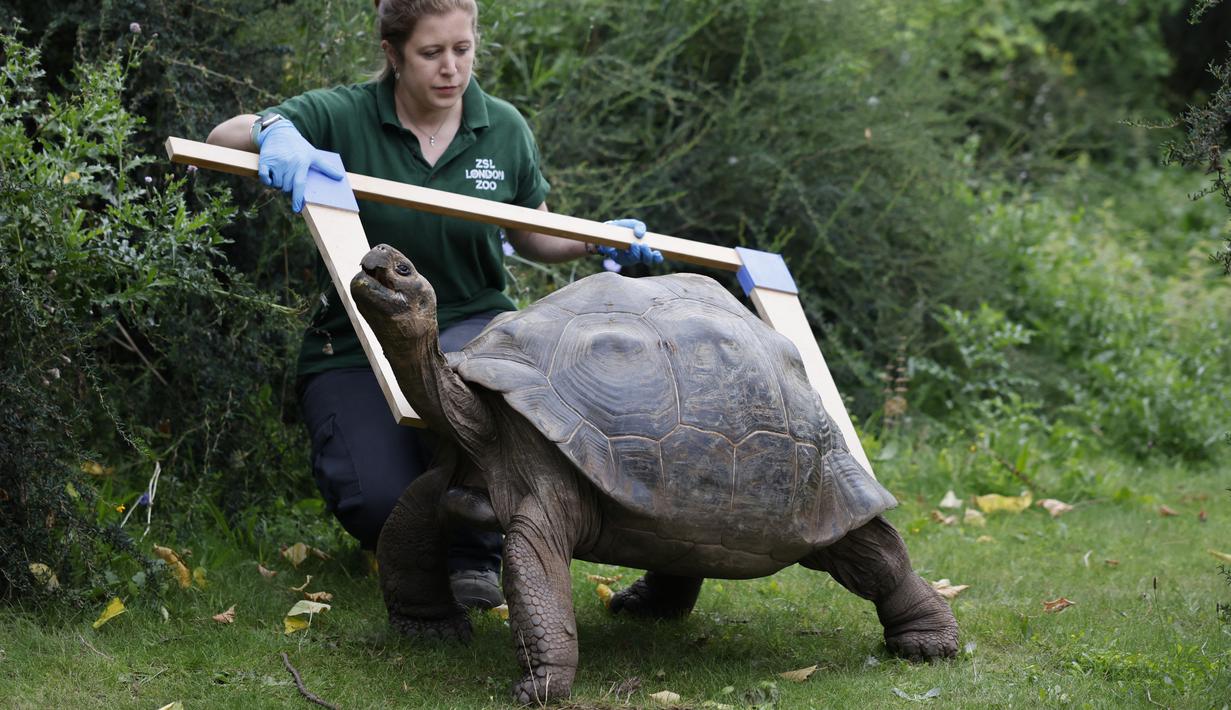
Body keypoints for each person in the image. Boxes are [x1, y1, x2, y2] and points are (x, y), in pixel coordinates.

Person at [206, 0, 661, 609]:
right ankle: (416, 541)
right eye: (431, 53)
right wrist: (274, 131)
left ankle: (476, 554)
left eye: (463, 50)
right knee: (379, 500)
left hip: (477, 330)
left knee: (496, 455)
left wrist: (599, 239)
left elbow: (533, 232)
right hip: (355, 339)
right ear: (393, 54)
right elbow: (220, 138)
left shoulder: (503, 128)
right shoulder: (343, 113)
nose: (451, 69)